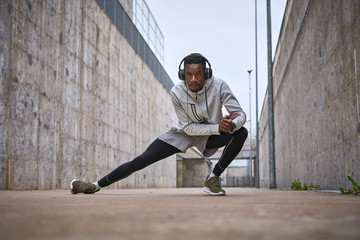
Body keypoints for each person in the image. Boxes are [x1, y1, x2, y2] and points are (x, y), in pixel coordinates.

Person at [70, 53, 248, 196]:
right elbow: (187, 127)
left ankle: (213, 177)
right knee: (142, 159)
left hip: (212, 135)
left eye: (198, 74)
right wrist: (218, 127)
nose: (193, 79)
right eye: (189, 74)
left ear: (206, 73)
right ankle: (94, 186)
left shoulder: (219, 86)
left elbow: (240, 114)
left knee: (242, 132)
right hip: (184, 134)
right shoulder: (177, 92)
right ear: (182, 74)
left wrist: (231, 126)